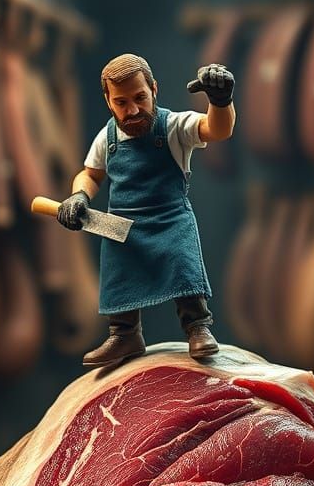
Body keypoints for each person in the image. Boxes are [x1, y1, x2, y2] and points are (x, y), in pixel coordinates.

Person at [55, 53, 236, 366]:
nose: (133, 110)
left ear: (154, 89)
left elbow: (215, 129)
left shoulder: (174, 126)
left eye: (140, 98)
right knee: (118, 273)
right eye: (121, 102)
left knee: (184, 266)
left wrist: (221, 102)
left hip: (169, 219)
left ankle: (197, 327)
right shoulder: (107, 137)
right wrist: (79, 196)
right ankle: (125, 335)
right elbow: (91, 174)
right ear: (108, 101)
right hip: (121, 226)